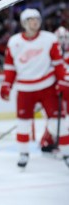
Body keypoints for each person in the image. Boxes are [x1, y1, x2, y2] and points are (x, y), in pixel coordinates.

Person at [0, 9, 69, 169]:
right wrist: (6, 85)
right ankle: (23, 153)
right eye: (31, 19)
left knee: (57, 122)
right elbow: (10, 67)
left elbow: (58, 63)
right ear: (24, 23)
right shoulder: (14, 41)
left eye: (37, 19)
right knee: (23, 123)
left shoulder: (49, 39)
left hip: (48, 86)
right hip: (25, 88)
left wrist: (62, 82)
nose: (35, 22)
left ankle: (66, 152)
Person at [39, 25, 69, 154]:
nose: (63, 40)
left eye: (65, 37)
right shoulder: (49, 54)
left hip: (66, 91)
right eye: (60, 38)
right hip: (55, 92)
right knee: (54, 118)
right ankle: (48, 141)